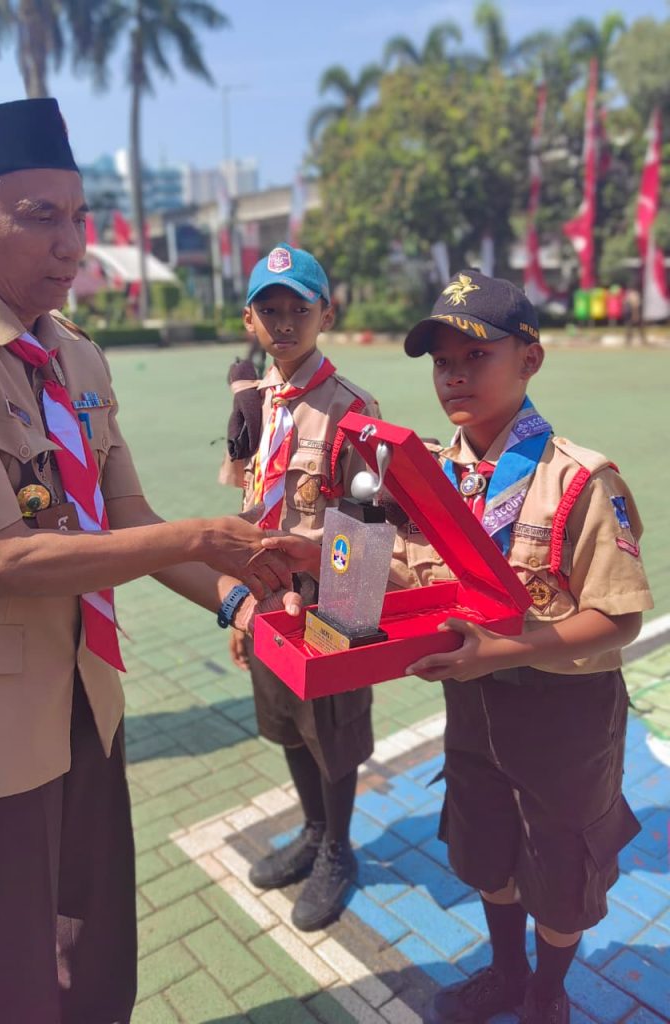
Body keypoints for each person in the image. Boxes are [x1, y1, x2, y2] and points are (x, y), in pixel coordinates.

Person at [0, 98, 298, 1024]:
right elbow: (0, 558)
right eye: (41, 216)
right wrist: (203, 538)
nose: (73, 245)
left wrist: (247, 605)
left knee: (97, 944)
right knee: (6, 979)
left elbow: (127, 518)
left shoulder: (75, 354)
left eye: (80, 216)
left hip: (83, 687)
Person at [397, 272, 653, 1024]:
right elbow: (413, 573)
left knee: (561, 864)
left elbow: (618, 619)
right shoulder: (435, 478)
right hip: (472, 699)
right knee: (486, 846)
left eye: (476, 355)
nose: (454, 375)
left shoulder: (579, 480)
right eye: (442, 361)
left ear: (530, 360)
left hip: (564, 709)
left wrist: (500, 651)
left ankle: (547, 991)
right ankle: (508, 972)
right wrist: (323, 563)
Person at [226, 243, 379, 931]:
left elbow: (368, 528)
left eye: (299, 309)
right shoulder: (256, 403)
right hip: (267, 598)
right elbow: (247, 507)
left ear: (326, 315)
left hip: (327, 601)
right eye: (270, 310)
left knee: (331, 733)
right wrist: (240, 600)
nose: (284, 323)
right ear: (249, 319)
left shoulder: (353, 409)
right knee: (287, 724)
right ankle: (314, 832)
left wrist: (340, 617)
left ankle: (338, 851)